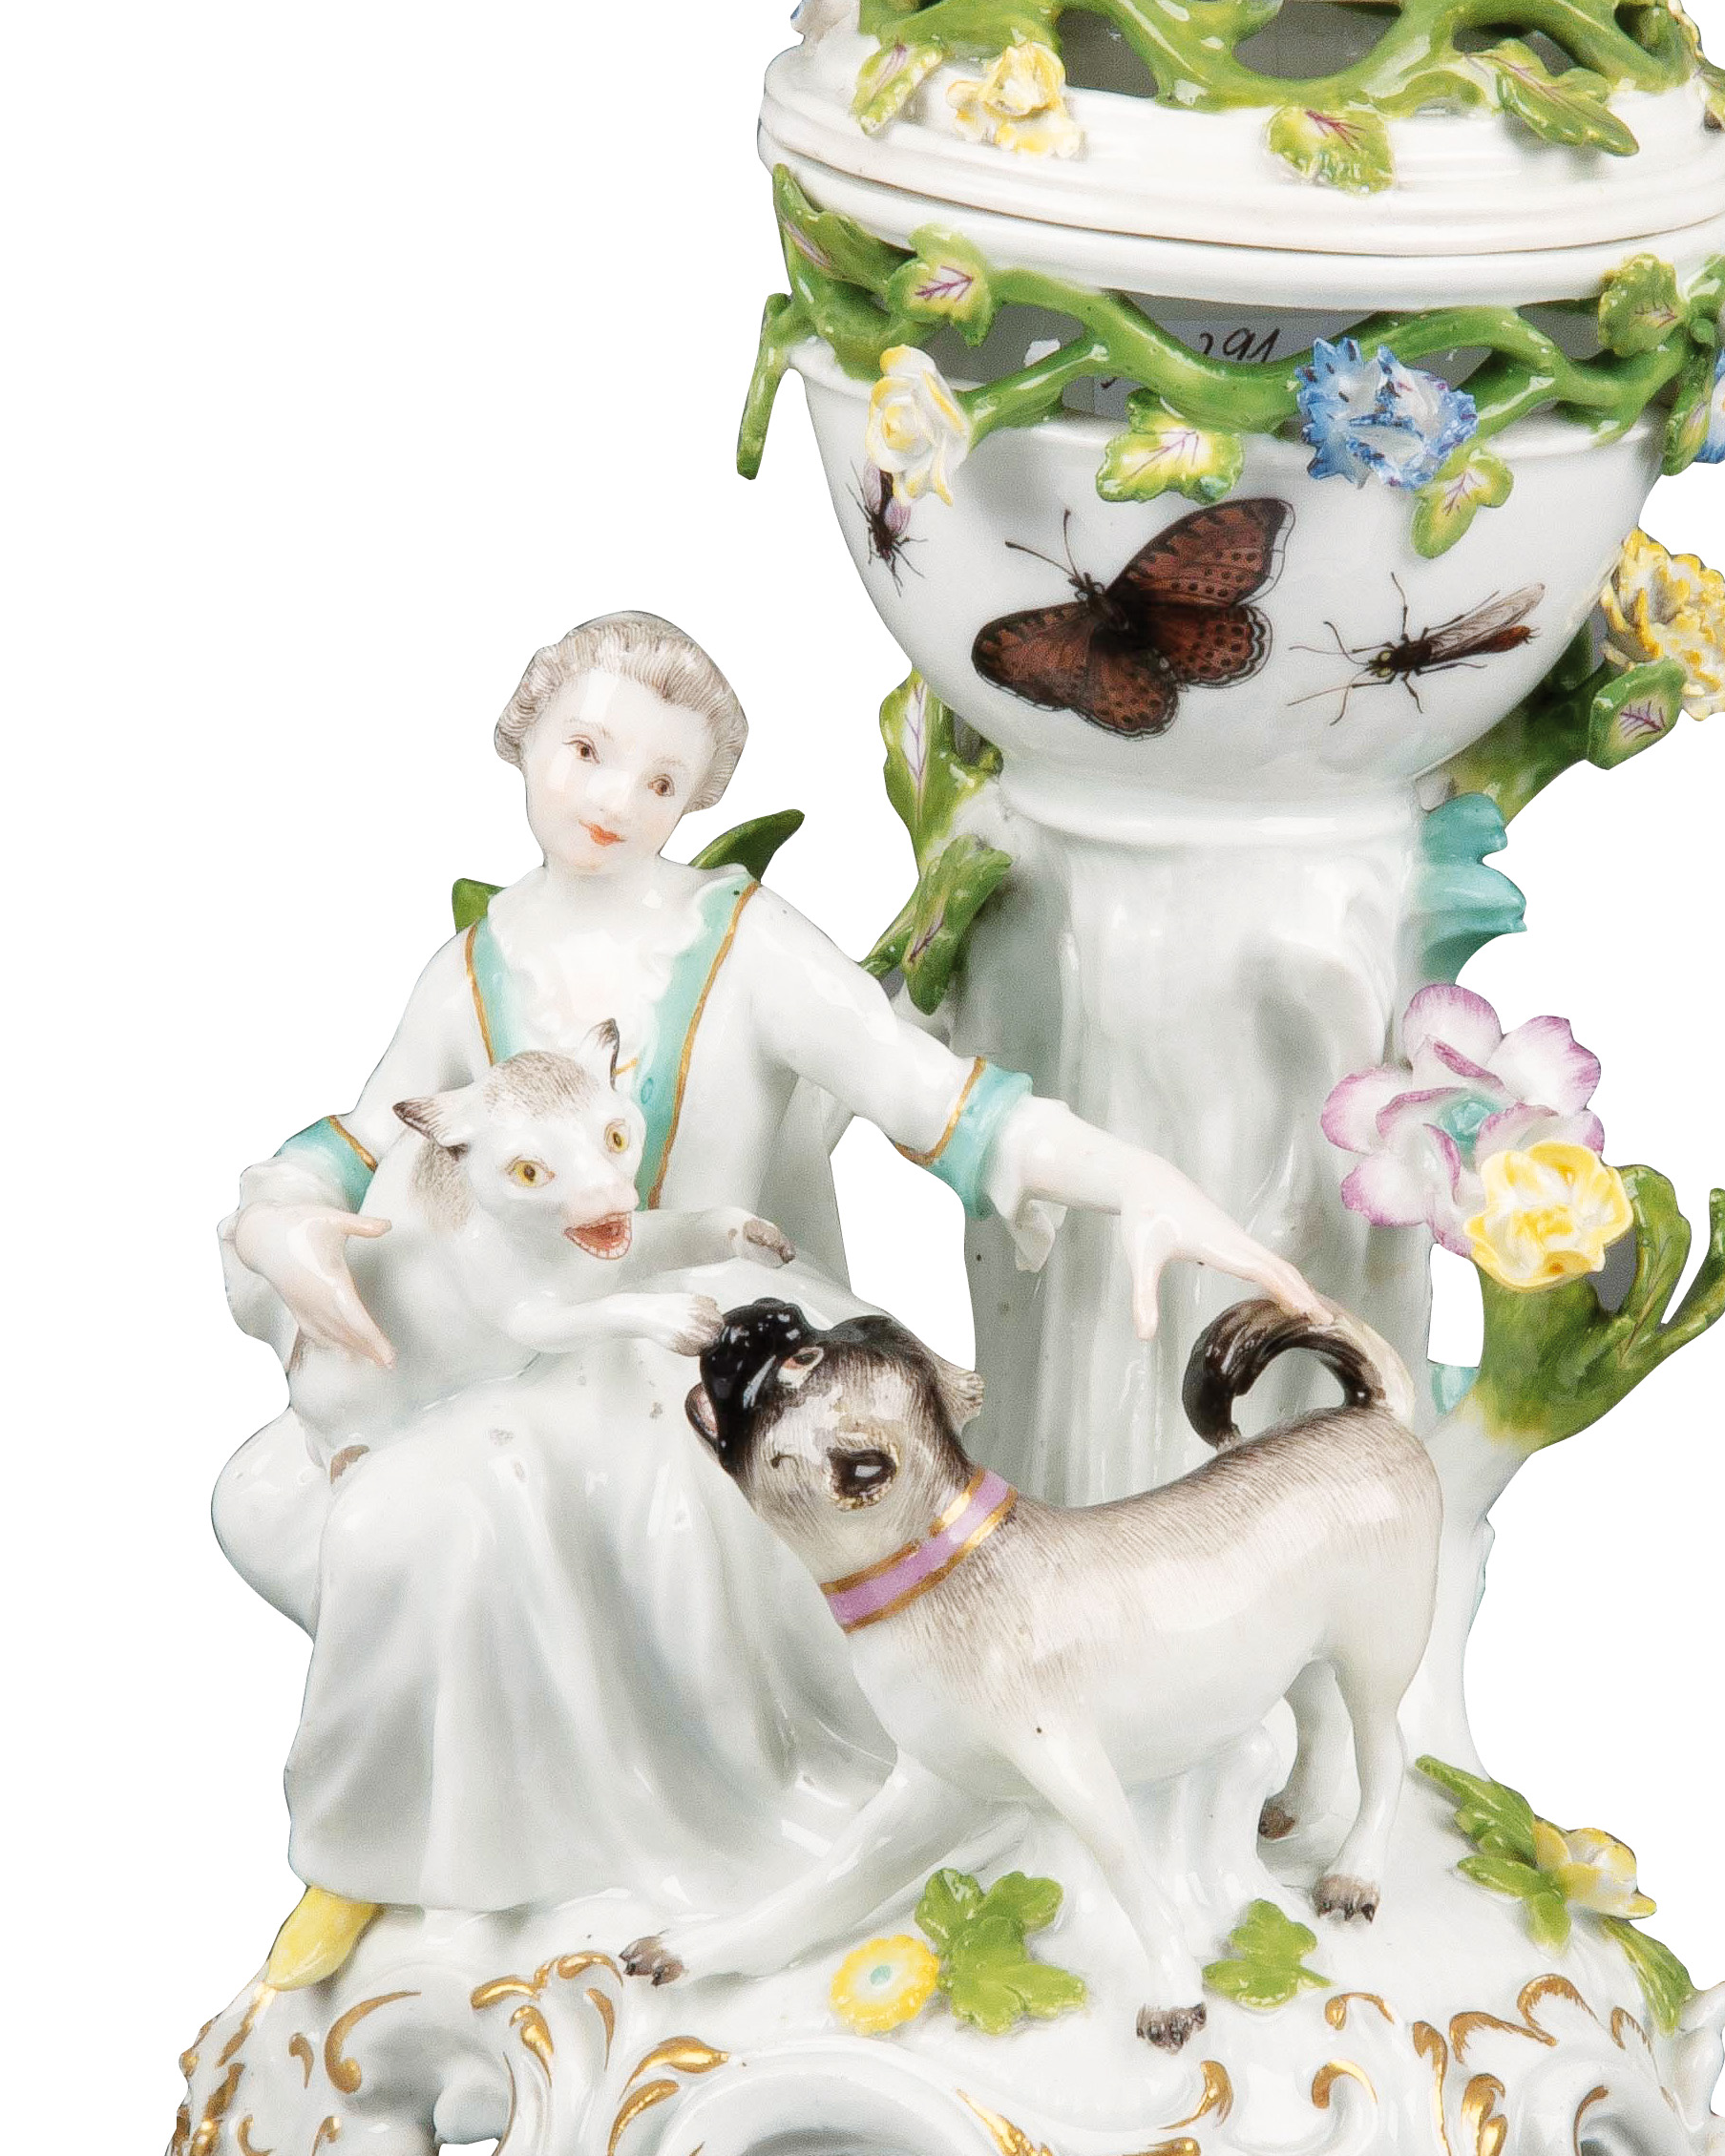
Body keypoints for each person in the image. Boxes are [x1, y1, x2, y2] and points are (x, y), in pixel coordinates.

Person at [217, 611, 1317, 1985]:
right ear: (524, 736)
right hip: (513, 1329)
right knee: (290, 1497)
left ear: (697, 799)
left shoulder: (741, 942)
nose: (615, 799)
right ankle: (443, 1859)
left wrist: (1140, 1181)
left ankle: (465, 1856)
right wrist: (277, 1217)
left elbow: (941, 1105)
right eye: (587, 751)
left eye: (661, 779)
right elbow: (366, 1132)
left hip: (717, 1334)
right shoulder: (475, 967)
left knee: (441, 1509)